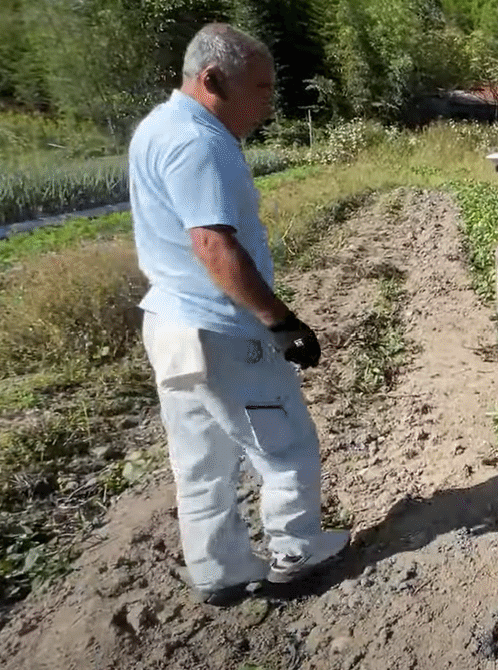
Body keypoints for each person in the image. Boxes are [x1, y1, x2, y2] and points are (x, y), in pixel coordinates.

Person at [129, 22, 348, 606]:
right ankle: (296, 550)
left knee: (201, 461)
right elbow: (212, 245)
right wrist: (280, 321)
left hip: (171, 324)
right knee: (284, 445)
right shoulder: (200, 142)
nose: (268, 102)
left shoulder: (157, 127)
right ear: (212, 80)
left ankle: (218, 569)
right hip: (223, 330)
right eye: (260, 88)